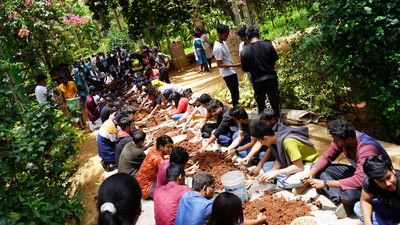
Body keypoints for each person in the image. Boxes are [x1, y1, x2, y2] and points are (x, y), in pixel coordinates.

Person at [301, 119, 390, 218]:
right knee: (317, 168)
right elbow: (327, 157)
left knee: (349, 196)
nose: (333, 142)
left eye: (335, 140)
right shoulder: (345, 139)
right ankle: (339, 199)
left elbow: (359, 180)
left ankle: (340, 198)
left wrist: (325, 183)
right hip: (358, 172)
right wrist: (310, 174)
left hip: (375, 181)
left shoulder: (367, 149)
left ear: (348, 140)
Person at [250, 117, 319, 190]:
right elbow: (280, 158)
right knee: (267, 166)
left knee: (289, 182)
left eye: (260, 142)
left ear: (266, 138)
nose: (262, 144)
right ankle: (291, 179)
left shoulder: (288, 142)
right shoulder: (275, 138)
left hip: (309, 164)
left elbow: (299, 166)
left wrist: (277, 172)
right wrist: (272, 172)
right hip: (294, 163)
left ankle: (304, 182)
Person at [240, 26, 280, 116]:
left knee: (261, 105)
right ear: (258, 34)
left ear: (247, 37)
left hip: (257, 81)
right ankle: (277, 121)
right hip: (271, 78)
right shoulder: (268, 44)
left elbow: (245, 69)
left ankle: (264, 125)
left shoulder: (244, 51)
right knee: (274, 102)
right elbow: (275, 60)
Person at [354, 154, 400, 225]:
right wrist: (367, 223)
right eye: (381, 181)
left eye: (388, 177)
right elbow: (365, 201)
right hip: (390, 210)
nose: (388, 184)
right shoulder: (369, 183)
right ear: (374, 180)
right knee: (358, 207)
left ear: (392, 170)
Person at [136, 135, 173, 199]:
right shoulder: (158, 160)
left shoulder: (153, 149)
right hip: (146, 188)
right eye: (168, 147)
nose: (171, 149)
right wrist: (188, 171)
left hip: (140, 184)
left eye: (171, 147)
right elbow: (172, 174)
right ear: (161, 147)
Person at [213, 24, 241, 106]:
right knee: (234, 92)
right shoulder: (217, 47)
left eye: (227, 35)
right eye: (225, 35)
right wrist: (235, 65)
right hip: (227, 73)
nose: (227, 37)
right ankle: (236, 109)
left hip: (231, 71)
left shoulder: (223, 42)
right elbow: (219, 64)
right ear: (219, 34)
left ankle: (236, 107)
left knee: (236, 91)